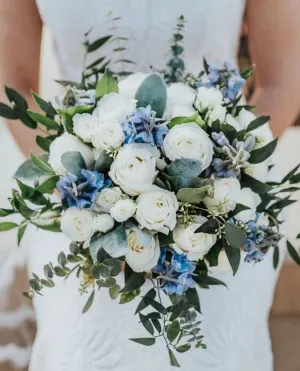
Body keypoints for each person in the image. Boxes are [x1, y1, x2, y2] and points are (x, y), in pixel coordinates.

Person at [0, 1, 299, 370]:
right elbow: (12, 80)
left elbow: (281, 83)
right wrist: (82, 186)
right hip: (80, 204)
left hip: (218, 208)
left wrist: (209, 190)